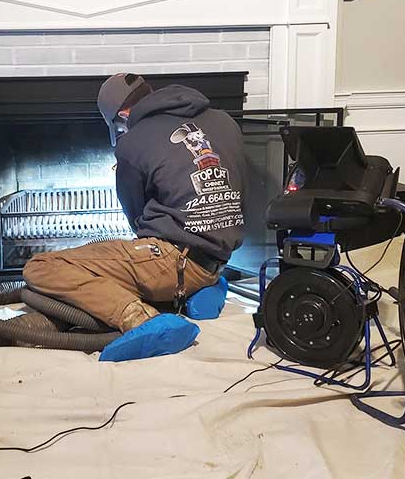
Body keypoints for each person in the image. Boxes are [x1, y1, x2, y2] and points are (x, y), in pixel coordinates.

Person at [23, 73, 247, 359]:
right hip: (218, 258)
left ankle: (144, 320)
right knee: (156, 261)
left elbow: (136, 216)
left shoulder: (133, 140)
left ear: (122, 116)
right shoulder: (224, 120)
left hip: (174, 262)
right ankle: (203, 289)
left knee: (42, 267)